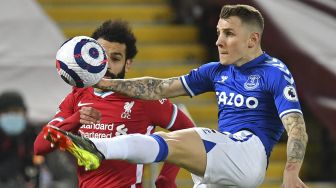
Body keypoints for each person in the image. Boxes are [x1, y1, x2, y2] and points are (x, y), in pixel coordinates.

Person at [44, 4, 308, 188]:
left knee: (171, 139)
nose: (218, 41)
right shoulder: (215, 71)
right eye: (218, 32)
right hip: (220, 168)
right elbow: (160, 87)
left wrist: (290, 173)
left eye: (228, 33)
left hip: (247, 154)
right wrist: (105, 82)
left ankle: (99, 149)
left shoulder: (273, 72)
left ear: (252, 39)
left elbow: (296, 127)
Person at [34, 20, 195, 188]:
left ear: (128, 63)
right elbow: (40, 146)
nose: (107, 65)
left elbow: (188, 131)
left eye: (115, 58)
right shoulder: (77, 96)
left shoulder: (144, 98)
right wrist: (75, 120)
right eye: (101, 56)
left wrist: (166, 177)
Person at [0, 91, 39, 188]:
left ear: (24, 113)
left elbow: (65, 176)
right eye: (6, 112)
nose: (12, 115)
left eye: (16, 111)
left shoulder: (35, 138)